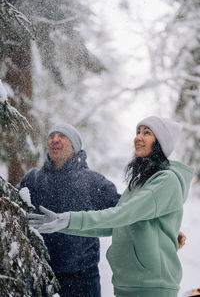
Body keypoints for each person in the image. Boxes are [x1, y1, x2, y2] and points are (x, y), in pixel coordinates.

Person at [29, 116, 194, 297]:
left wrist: (70, 218)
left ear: (161, 142)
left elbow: (123, 213)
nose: (138, 137)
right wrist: (64, 224)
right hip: (128, 283)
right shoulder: (140, 183)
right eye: (138, 132)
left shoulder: (166, 180)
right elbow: (116, 223)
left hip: (150, 285)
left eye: (147, 133)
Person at [17, 123, 120, 297]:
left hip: (82, 279)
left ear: (75, 146)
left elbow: (126, 210)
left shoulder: (93, 181)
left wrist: (161, 226)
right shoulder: (33, 179)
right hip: (40, 276)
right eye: (51, 136)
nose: (55, 140)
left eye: (62, 136)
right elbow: (9, 209)